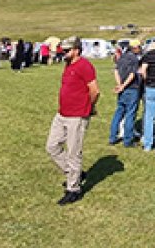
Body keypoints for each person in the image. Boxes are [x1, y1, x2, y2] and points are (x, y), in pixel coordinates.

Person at [46, 37, 98, 205]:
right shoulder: (68, 65)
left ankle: (73, 189)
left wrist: (88, 107)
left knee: (74, 152)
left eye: (67, 51)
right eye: (63, 51)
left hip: (77, 116)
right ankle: (74, 173)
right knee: (52, 146)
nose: (64, 53)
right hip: (62, 114)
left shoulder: (85, 66)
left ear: (76, 50)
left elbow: (95, 91)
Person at [108, 39, 142, 147]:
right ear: (135, 48)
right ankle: (128, 140)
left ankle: (112, 137)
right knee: (130, 114)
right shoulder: (134, 59)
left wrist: (119, 85)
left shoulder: (122, 57)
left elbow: (116, 71)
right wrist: (124, 85)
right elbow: (132, 74)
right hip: (132, 88)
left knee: (118, 113)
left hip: (122, 89)